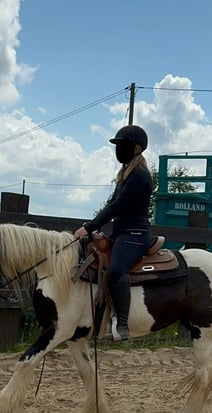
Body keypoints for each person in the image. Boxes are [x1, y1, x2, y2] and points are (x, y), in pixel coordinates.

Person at [74, 124, 153, 341]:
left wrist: (88, 227)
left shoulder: (140, 175)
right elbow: (112, 204)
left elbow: (118, 207)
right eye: (118, 146)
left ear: (136, 148)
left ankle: (123, 326)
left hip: (135, 235)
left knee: (116, 270)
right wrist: (96, 224)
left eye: (123, 145)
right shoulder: (126, 174)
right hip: (122, 232)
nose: (119, 150)